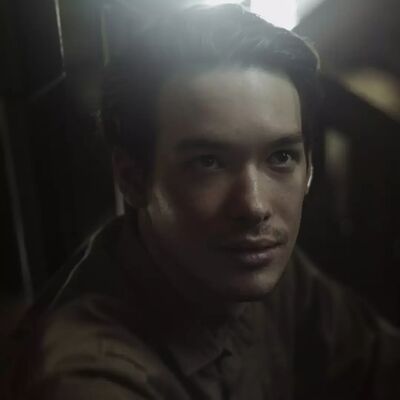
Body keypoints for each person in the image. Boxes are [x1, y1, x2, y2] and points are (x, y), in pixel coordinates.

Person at [4, 4, 400, 399]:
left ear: (309, 166)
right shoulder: (90, 382)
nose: (255, 206)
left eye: (281, 157)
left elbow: (377, 361)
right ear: (132, 179)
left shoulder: (257, 259)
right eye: (208, 163)